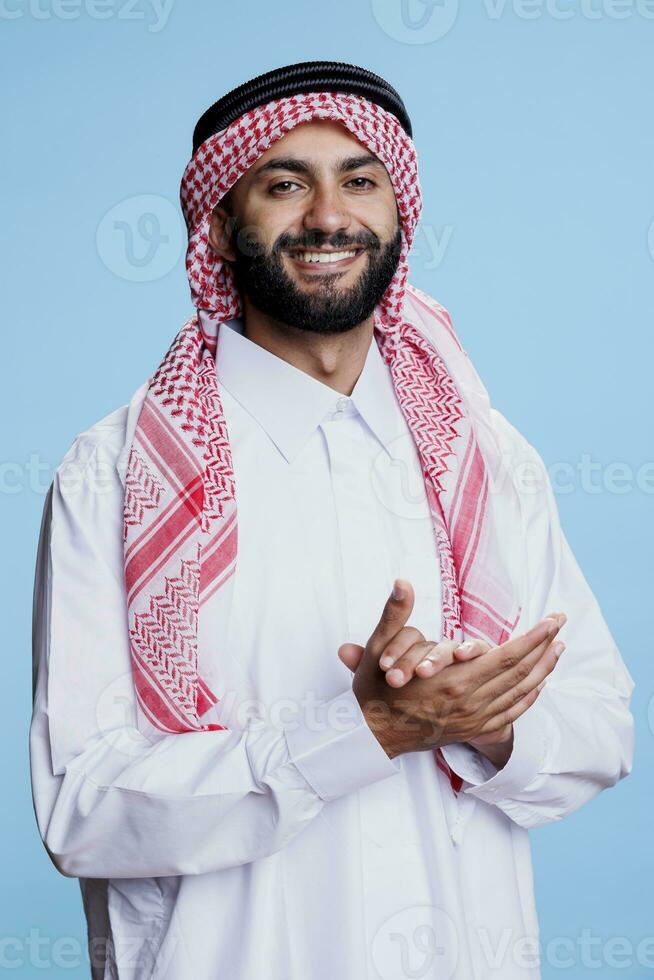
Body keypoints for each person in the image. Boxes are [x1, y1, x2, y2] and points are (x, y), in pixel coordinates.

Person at [29, 61, 635, 980]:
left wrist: (485, 722)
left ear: (398, 209)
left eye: (359, 179)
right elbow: (85, 811)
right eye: (283, 184)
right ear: (222, 230)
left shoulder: (485, 455)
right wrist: (363, 735)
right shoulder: (116, 475)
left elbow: (600, 726)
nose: (327, 216)